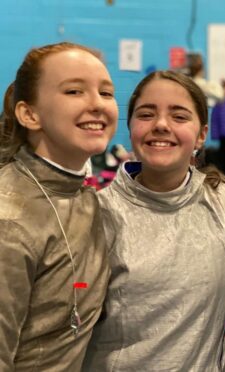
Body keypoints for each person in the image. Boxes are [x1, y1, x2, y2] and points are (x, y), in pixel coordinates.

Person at [83, 71, 225, 371]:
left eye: (179, 116)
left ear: (201, 134)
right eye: (146, 114)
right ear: (130, 128)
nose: (160, 125)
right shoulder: (96, 215)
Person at [0, 42, 117, 370]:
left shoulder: (82, 194)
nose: (97, 104)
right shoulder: (9, 218)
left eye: (106, 93)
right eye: (74, 91)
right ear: (29, 114)